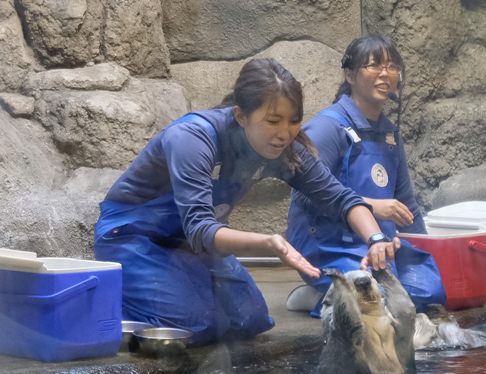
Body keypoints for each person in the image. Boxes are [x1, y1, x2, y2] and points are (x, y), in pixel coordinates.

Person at [94, 58, 400, 345]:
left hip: (189, 247)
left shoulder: (283, 149)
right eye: (273, 120)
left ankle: (165, 291)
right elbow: (201, 228)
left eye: (293, 121)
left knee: (249, 320)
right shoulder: (193, 138)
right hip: (133, 236)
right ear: (241, 115)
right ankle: (108, 305)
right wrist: (267, 243)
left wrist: (375, 239)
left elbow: (339, 198)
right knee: (196, 324)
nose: (284, 133)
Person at [286, 35, 446, 316]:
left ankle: (333, 292)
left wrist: (426, 246)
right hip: (328, 244)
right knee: (374, 299)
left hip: (379, 247)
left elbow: (406, 203)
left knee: (431, 290)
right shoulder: (328, 127)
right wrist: (373, 205)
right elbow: (305, 197)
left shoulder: (389, 134)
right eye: (373, 66)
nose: (385, 73)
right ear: (350, 74)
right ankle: (320, 293)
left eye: (392, 66)